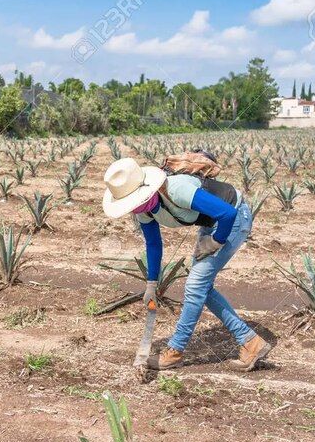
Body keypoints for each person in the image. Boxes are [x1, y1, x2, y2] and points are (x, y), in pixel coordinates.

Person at [102, 156, 271, 371]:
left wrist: (216, 241)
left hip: (235, 218)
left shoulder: (177, 189)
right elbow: (153, 243)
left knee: (195, 286)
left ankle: (175, 351)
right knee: (202, 287)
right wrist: (151, 285)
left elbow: (227, 213)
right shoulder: (143, 208)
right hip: (212, 224)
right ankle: (250, 341)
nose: (135, 207)